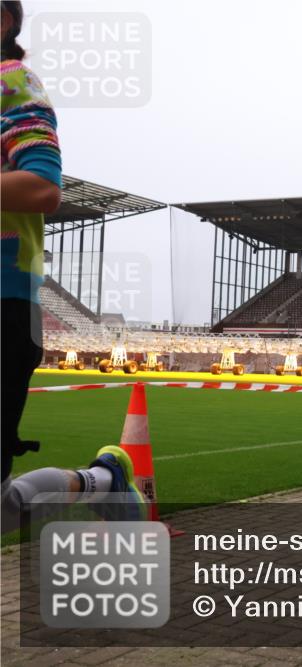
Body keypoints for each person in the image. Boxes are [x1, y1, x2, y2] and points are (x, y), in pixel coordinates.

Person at [1, 1, 144, 531]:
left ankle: (106, 478)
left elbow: (42, 185)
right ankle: (105, 480)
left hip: (5, 300)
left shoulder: (12, 82)